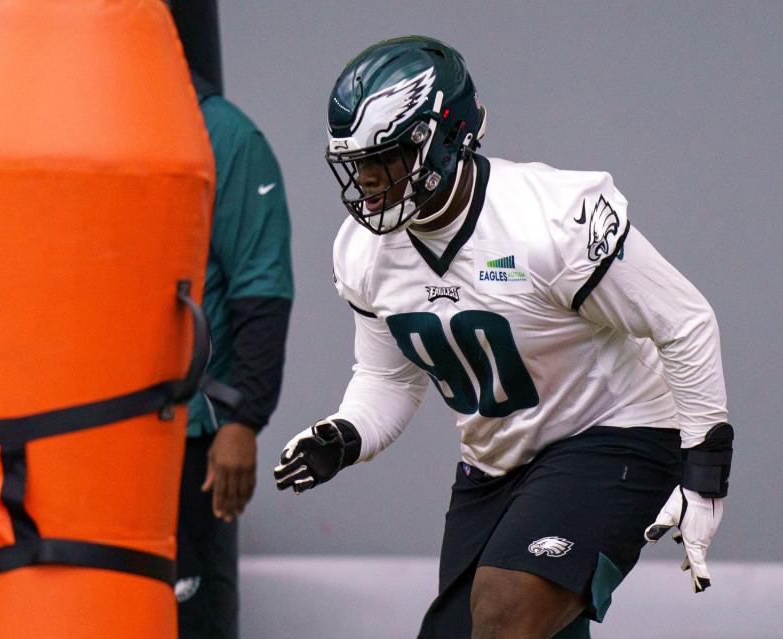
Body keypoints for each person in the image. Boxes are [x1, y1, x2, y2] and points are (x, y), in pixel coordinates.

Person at [274, 36, 731, 639]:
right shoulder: (362, 252)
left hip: (615, 434)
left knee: (503, 614)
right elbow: (387, 377)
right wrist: (346, 434)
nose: (368, 180)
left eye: (384, 157)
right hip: (494, 466)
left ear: (441, 138)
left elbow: (685, 319)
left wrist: (704, 476)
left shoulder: (548, 220)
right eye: (356, 162)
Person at [177, 72, 294, 639]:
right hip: (74, 436)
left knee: (189, 615)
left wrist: (243, 420)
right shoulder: (56, 125)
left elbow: (262, 289)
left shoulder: (221, 134)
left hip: (187, 437)